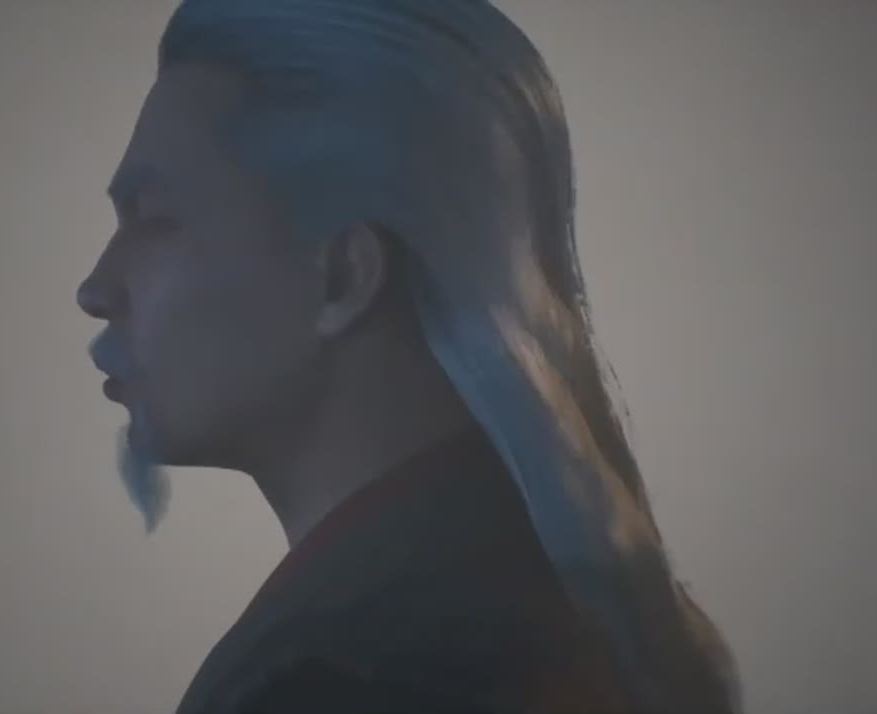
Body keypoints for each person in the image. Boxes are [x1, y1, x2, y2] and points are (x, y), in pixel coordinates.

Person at [77, 1, 742, 711]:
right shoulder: (548, 611)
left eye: (153, 219)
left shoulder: (347, 677)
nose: (96, 289)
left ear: (342, 276)